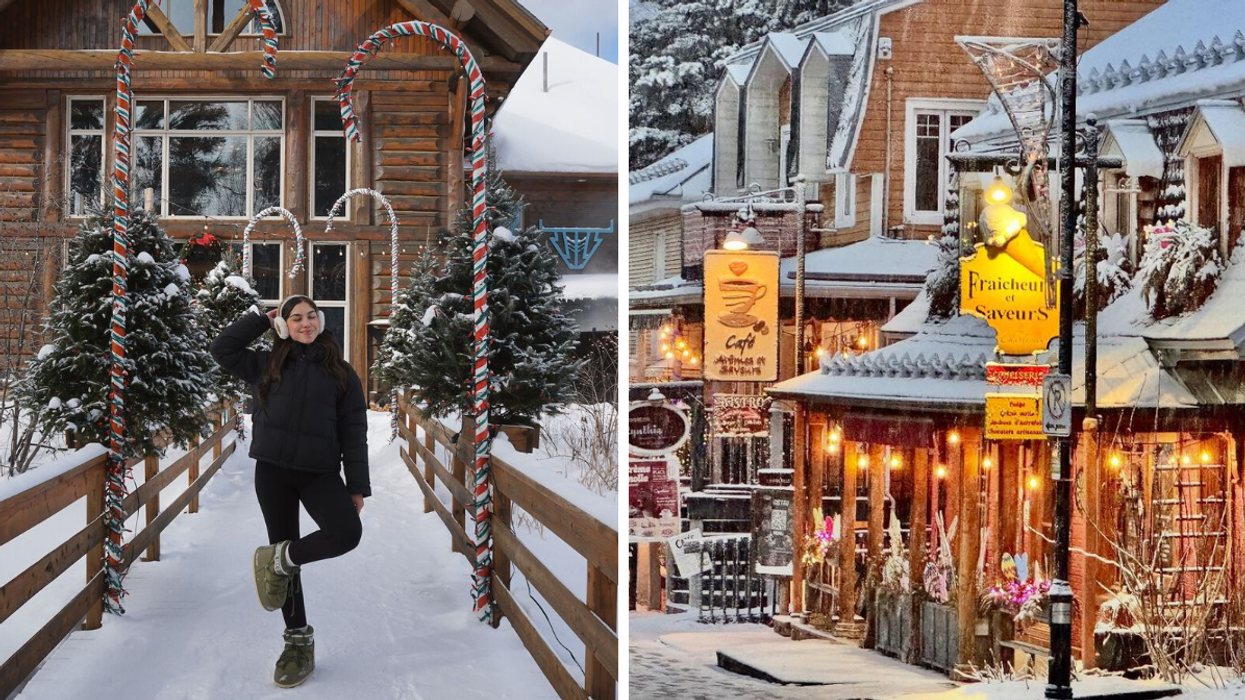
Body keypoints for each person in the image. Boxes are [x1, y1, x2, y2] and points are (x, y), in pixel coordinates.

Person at [210, 295, 370, 688]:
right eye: (295, 318)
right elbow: (222, 348)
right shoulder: (267, 363)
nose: (305, 323)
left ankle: (277, 559)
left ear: (321, 321)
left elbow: (354, 433)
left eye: (311, 316)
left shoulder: (343, 374)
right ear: (284, 325)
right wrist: (262, 320)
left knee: (346, 533)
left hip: (319, 473)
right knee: (287, 562)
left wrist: (357, 485)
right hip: (274, 472)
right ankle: (297, 642)